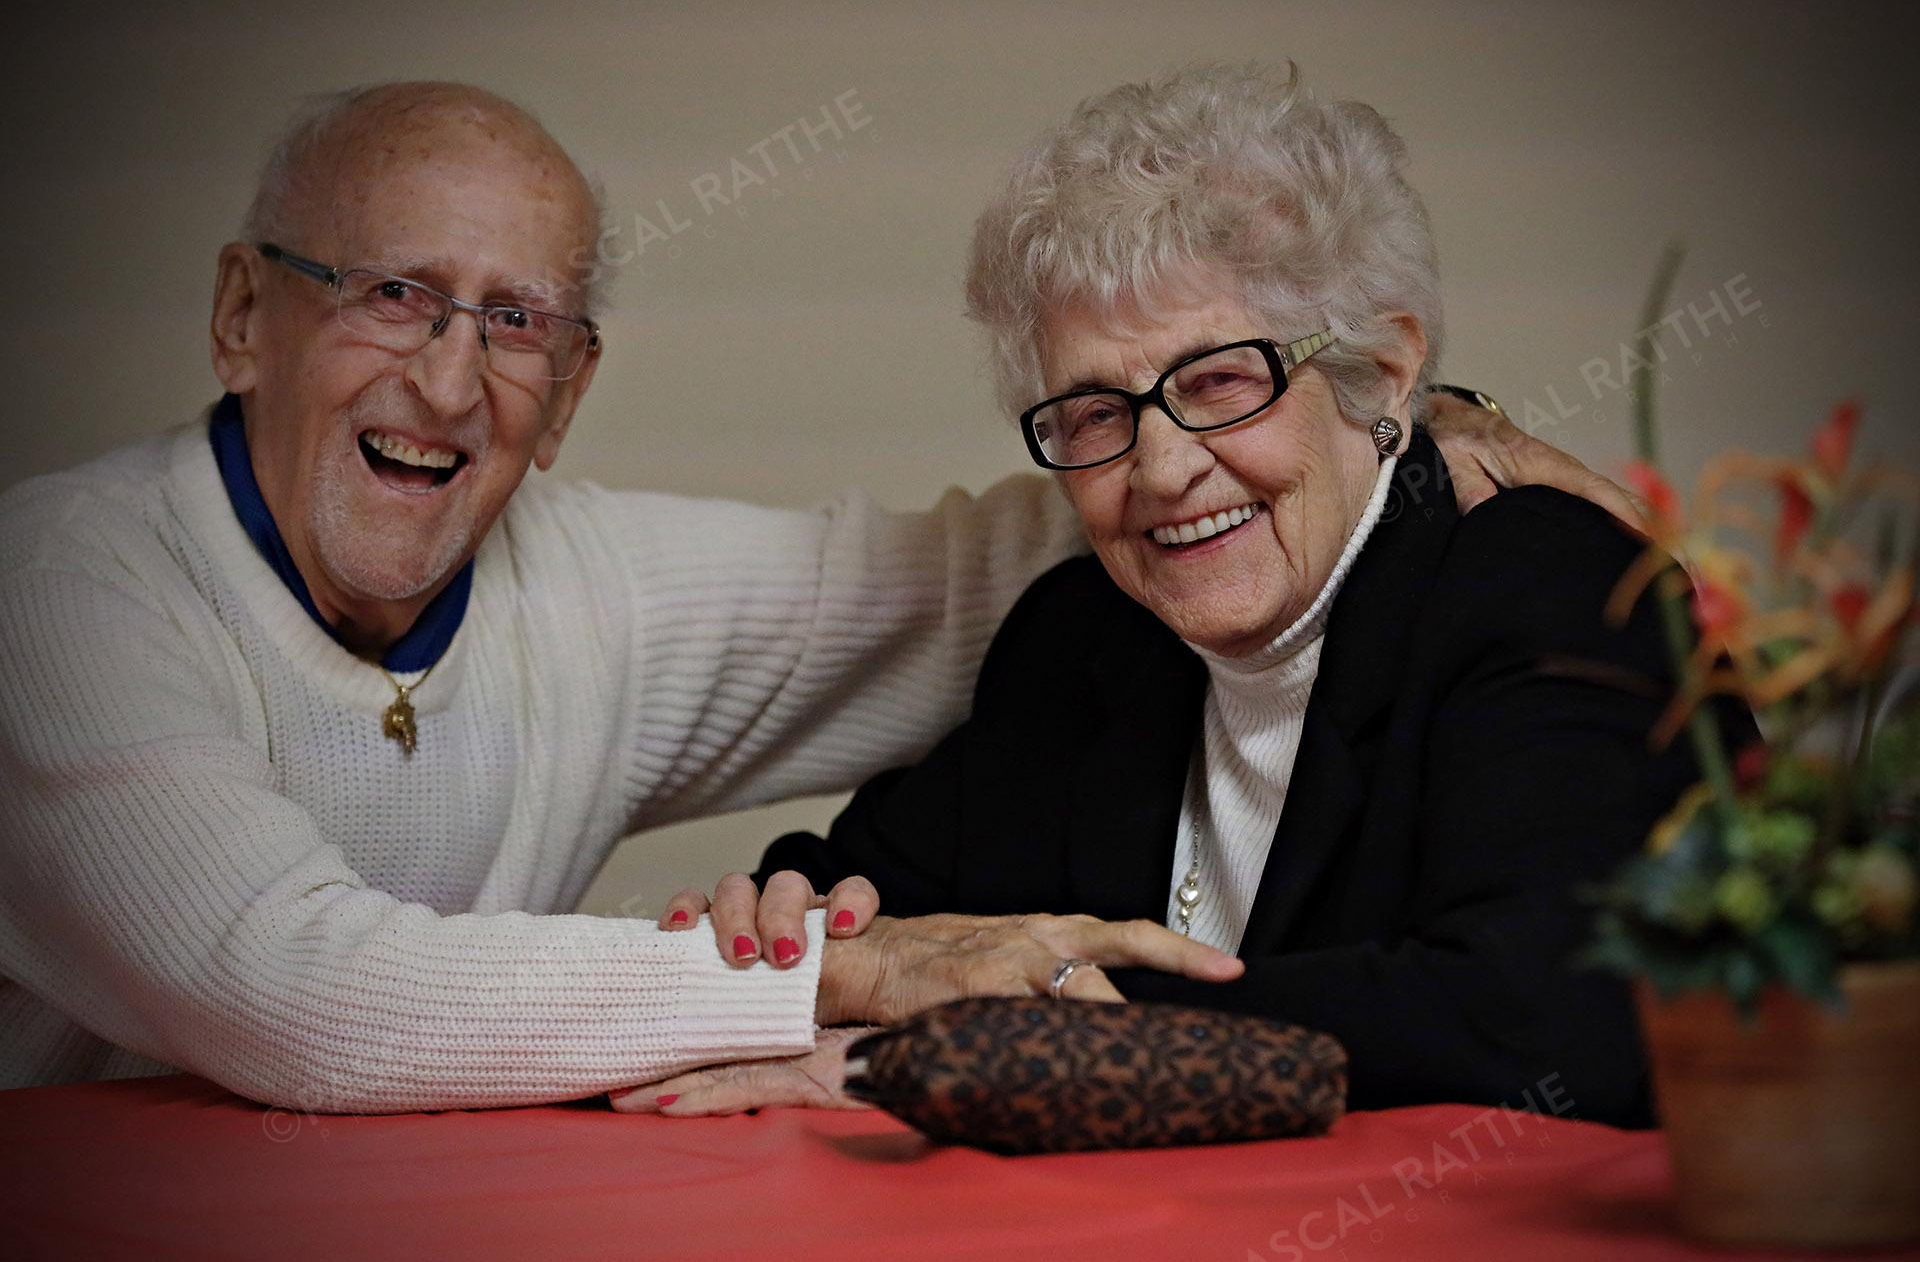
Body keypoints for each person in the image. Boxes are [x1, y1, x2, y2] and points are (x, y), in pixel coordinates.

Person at [0, 80, 1624, 1115]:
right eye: (391, 293)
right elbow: (297, 993)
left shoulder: (1509, 587)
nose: (444, 376)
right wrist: (824, 976)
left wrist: (1398, 421)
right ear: (241, 314)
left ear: (569, 392)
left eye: (512, 321)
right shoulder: (57, 604)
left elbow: (1552, 1010)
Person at [637, 64, 1738, 1126]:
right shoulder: (1082, 640)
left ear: (1385, 371)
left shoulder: (1550, 586)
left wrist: (998, 1038)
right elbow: (862, 902)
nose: (1161, 470)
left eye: (1220, 380)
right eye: (1094, 413)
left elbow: (1552, 1018)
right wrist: (793, 936)